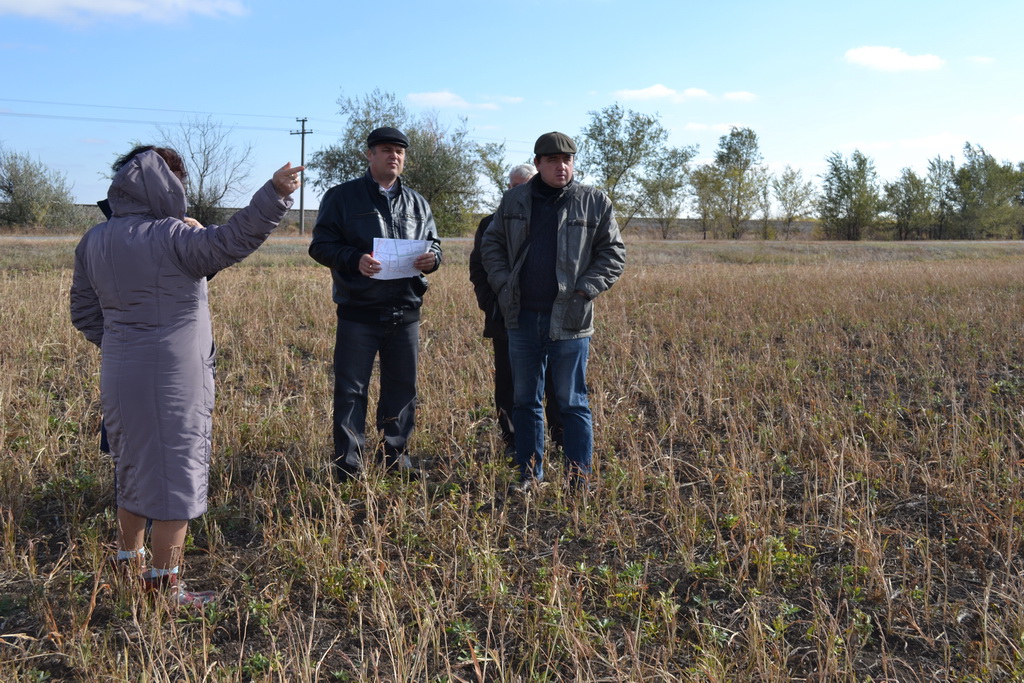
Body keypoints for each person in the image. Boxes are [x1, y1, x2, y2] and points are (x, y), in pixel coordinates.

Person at [71, 145, 302, 606]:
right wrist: (275, 193)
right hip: (174, 377)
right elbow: (233, 240)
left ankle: (126, 566)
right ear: (168, 187)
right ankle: (164, 587)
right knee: (176, 476)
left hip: (120, 372)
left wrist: (125, 343)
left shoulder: (94, 240)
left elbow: (83, 313)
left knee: (132, 468)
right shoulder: (172, 236)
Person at [480, 132, 626, 493]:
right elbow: (492, 243)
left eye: (568, 160)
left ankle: (580, 479)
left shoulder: (594, 202)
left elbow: (613, 254)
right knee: (525, 400)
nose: (562, 167)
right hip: (522, 318)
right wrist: (503, 283)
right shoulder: (514, 199)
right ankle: (531, 476)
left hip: (571, 321)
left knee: (572, 402)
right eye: (553, 160)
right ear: (539, 163)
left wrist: (585, 289)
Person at [309, 127, 442, 481]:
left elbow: (434, 243)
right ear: (369, 155)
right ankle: (348, 465)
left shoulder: (418, 203)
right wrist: (355, 259)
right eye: (385, 150)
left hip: (406, 310)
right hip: (360, 311)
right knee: (351, 390)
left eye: (399, 151)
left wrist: (434, 259)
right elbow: (320, 245)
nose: (393, 156)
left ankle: (395, 457)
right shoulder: (342, 198)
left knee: (402, 389)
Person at [469, 164, 562, 462]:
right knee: (509, 383)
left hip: (551, 316)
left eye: (523, 185)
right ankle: (513, 440)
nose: (517, 191)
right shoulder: (490, 223)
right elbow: (479, 269)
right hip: (505, 319)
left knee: (555, 382)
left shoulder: (550, 219)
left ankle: (559, 439)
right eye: (512, 186)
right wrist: (492, 305)